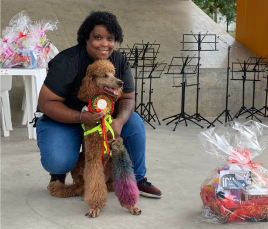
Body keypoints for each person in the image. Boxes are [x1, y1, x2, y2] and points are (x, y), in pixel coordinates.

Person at [36, 11, 162, 199]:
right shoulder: (67, 62)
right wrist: (81, 117)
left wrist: (119, 121)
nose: (104, 44)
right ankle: (60, 172)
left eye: (110, 38)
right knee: (58, 160)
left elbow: (127, 98)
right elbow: (45, 103)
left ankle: (136, 177)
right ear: (86, 38)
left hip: (104, 118)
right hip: (64, 119)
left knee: (133, 122)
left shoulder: (119, 60)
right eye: (97, 37)